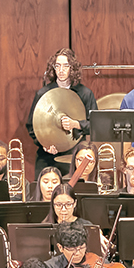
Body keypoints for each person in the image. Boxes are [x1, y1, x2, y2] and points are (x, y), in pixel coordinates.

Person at [26, 48, 98, 176]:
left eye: (66, 66)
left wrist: (76, 124)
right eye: (57, 66)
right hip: (47, 155)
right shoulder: (43, 93)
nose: (61, 70)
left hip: (74, 155)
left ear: (73, 68)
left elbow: (96, 126)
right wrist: (44, 144)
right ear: (53, 68)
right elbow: (31, 126)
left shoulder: (85, 93)